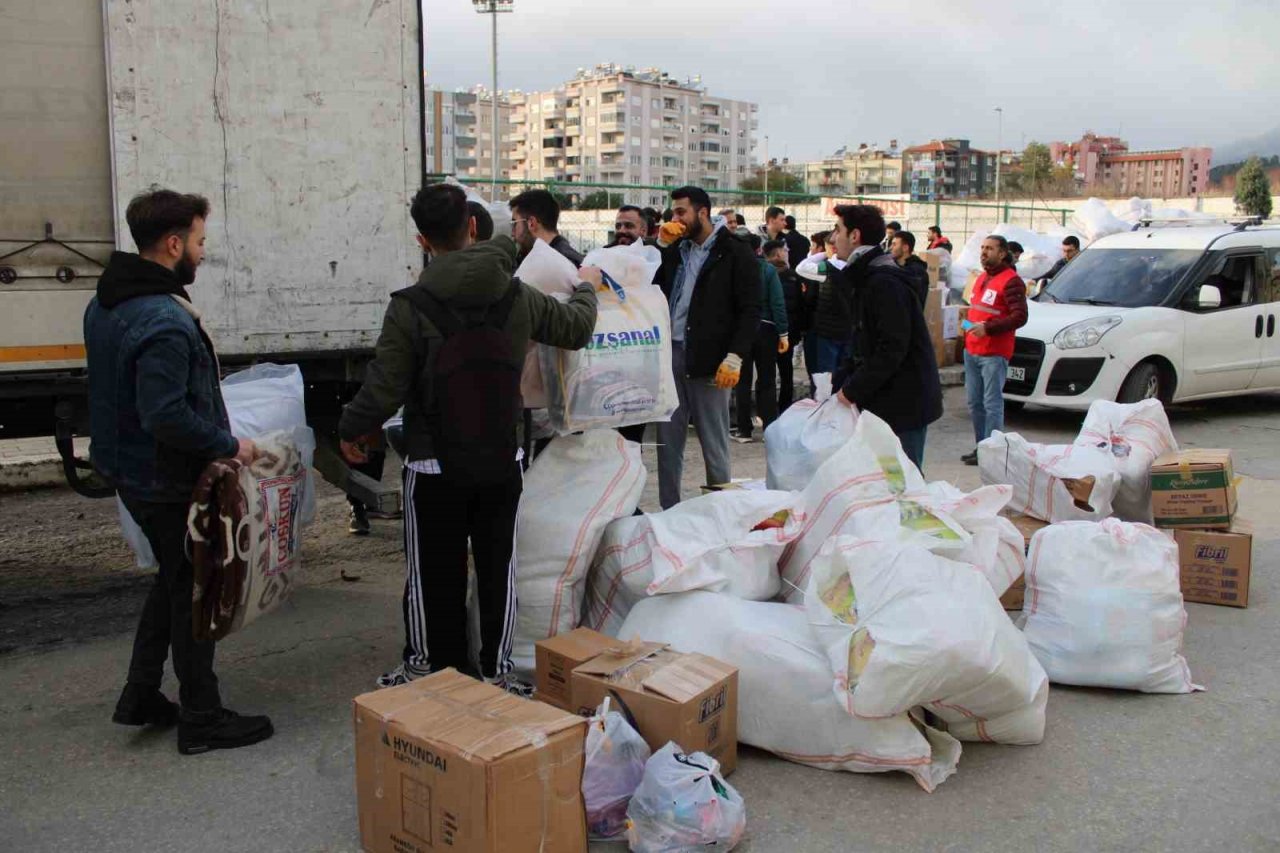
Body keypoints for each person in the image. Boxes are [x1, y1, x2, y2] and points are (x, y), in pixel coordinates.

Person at [339, 182, 600, 690]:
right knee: (498, 569)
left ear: (422, 239)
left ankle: (427, 668)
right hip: (501, 458)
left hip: (433, 462)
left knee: (431, 574)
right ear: (474, 228)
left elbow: (384, 386)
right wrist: (586, 284)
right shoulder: (516, 295)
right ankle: (498, 674)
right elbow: (577, 328)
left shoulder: (410, 306)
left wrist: (352, 429)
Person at [85, 188, 273, 755]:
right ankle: (202, 715)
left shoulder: (107, 302)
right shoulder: (164, 320)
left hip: (131, 472)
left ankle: (141, 694)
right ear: (173, 244)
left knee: (172, 581)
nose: (201, 250)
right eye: (198, 240)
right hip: (166, 479)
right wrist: (229, 445)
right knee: (196, 592)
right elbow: (164, 414)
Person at [656, 186, 760, 508]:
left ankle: (720, 510)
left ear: (702, 212)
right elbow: (651, 285)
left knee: (714, 442)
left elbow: (750, 308)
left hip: (712, 359)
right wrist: (660, 246)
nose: (676, 219)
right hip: (671, 354)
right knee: (667, 442)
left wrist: (735, 355)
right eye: (673, 212)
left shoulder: (735, 251)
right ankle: (669, 510)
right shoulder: (676, 249)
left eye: (681, 212)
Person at [828, 204, 942, 471]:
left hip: (903, 404)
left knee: (903, 486)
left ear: (855, 236)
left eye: (838, 230)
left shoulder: (883, 282)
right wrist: (839, 384)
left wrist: (852, 389)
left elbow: (891, 348)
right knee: (880, 484)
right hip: (886, 399)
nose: (834, 239)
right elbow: (861, 342)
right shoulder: (866, 277)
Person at [960, 235, 1028, 465]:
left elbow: (1020, 316)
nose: (984, 252)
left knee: (991, 403)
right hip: (972, 350)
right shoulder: (980, 278)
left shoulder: (1012, 281)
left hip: (994, 353)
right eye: (982, 248)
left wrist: (988, 328)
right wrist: (966, 326)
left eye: (989, 248)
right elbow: (976, 309)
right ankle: (982, 447)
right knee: (974, 403)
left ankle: (993, 452)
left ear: (1002, 253)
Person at [735, 235, 789, 441]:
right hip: (766, 329)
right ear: (759, 250)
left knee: (742, 379)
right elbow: (777, 302)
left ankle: (743, 429)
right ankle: (769, 428)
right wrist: (783, 332)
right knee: (766, 380)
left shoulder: (736, 271)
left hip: (742, 330)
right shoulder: (768, 270)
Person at [765, 239, 807, 411]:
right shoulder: (791, 276)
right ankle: (782, 409)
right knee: (784, 372)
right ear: (778, 253)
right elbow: (799, 306)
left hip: (771, 332)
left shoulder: (764, 274)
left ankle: (769, 411)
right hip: (782, 333)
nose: (787, 253)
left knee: (770, 374)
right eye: (785, 250)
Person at [510, 188, 583, 267]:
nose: (512, 233)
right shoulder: (533, 256)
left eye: (514, 224)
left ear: (531, 223)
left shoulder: (564, 264)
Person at [889, 230, 930, 307]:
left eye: (894, 244)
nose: (891, 248)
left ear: (905, 248)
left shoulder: (917, 272)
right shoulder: (893, 266)